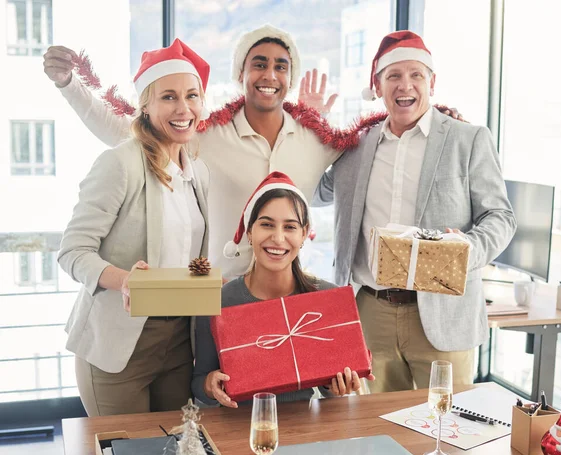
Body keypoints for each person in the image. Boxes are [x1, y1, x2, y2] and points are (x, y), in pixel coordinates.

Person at [43, 25, 460, 279]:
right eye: (259, 63)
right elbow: (124, 129)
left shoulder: (317, 140)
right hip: (216, 298)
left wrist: (433, 113)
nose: (270, 75)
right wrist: (69, 86)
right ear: (241, 73)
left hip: (285, 294)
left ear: (290, 78)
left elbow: (375, 139)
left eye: (281, 66)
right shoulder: (205, 133)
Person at [313, 31, 517, 392]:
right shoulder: (354, 147)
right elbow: (312, 191)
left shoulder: (468, 139)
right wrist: (308, 124)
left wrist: (467, 250)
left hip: (444, 314)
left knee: (444, 432)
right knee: (372, 432)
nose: (404, 85)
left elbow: (500, 217)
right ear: (377, 86)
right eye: (393, 76)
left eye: (416, 75)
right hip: (370, 312)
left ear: (432, 82)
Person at [58, 39, 211, 416]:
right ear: (145, 105)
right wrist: (125, 279)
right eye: (169, 97)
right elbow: (72, 252)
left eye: (192, 96)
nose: (183, 108)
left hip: (177, 345)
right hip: (116, 345)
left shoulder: (198, 173)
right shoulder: (119, 165)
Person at [192, 172, 375, 407]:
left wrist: (336, 387)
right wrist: (210, 384)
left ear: (304, 234)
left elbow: (331, 390)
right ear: (249, 232)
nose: (278, 238)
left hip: (306, 429)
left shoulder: (326, 299)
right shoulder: (218, 301)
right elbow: (199, 383)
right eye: (266, 224)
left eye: (290, 227)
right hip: (238, 431)